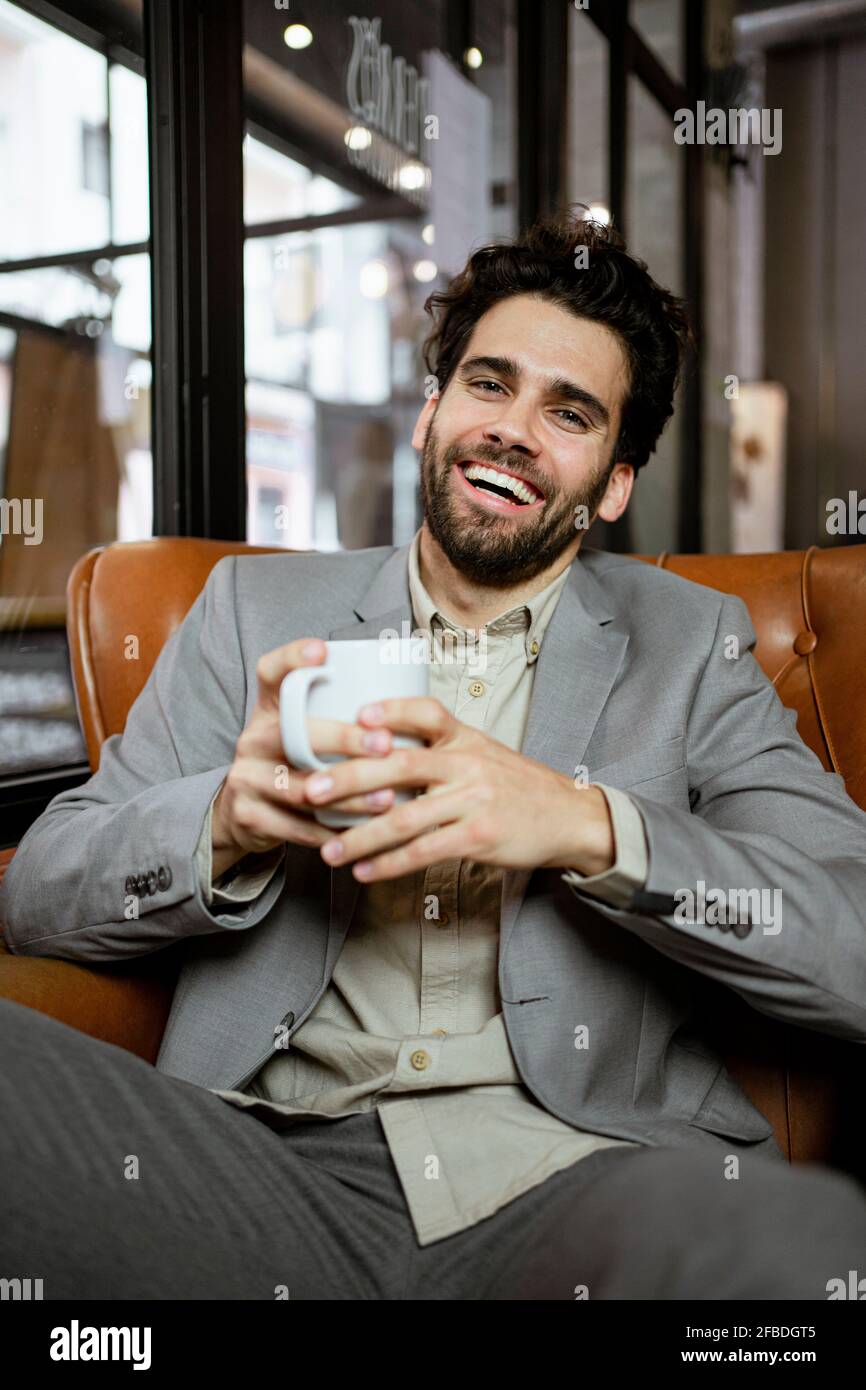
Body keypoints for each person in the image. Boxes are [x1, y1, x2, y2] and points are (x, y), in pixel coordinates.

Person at [2, 212, 866, 1301]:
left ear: (610, 484)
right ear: (430, 413)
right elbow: (37, 891)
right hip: (254, 1171)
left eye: (568, 413)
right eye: (486, 384)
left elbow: (852, 933)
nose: (510, 430)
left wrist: (585, 823)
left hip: (579, 1180)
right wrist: (222, 823)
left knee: (803, 1256)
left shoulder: (688, 646)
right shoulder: (247, 612)